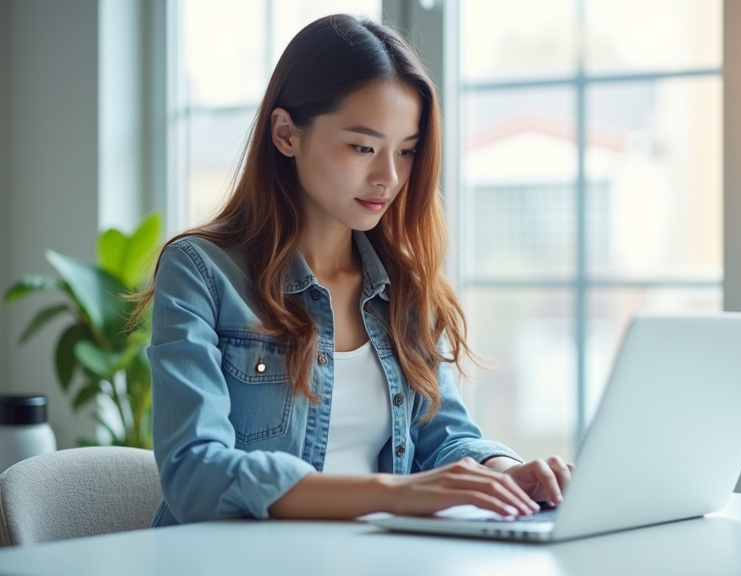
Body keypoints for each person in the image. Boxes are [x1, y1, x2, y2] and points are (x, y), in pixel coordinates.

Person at [137, 14, 571, 527]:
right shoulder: (201, 272)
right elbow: (196, 475)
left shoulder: (403, 286)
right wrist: (392, 494)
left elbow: (444, 437)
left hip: (371, 557)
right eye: (363, 147)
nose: (389, 176)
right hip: (235, 559)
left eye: (406, 151)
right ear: (286, 134)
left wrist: (507, 474)